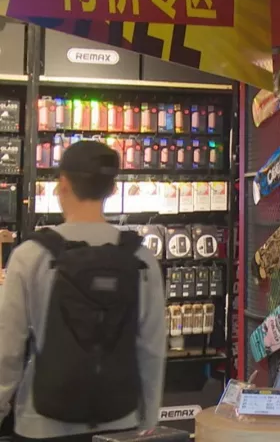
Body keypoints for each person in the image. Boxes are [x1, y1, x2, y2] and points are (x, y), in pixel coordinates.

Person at [0, 140, 166, 441]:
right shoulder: (141, 259)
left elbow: (7, 349)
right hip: (119, 420)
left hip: (42, 421)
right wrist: (148, 417)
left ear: (62, 184)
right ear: (112, 189)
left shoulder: (30, 255)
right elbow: (152, 348)